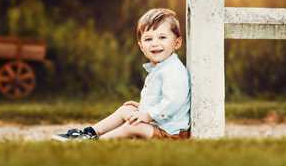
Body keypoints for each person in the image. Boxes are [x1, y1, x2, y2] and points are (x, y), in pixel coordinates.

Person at [52, 8, 191, 141]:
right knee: (127, 109)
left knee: (132, 126)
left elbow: (173, 102)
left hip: (171, 133)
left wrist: (147, 114)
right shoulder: (161, 68)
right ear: (141, 46)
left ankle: (98, 142)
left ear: (177, 43)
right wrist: (142, 108)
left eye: (162, 37)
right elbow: (159, 101)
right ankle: (90, 132)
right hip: (159, 124)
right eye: (148, 39)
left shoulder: (173, 71)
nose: (155, 43)